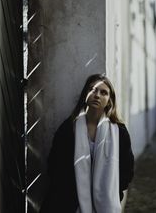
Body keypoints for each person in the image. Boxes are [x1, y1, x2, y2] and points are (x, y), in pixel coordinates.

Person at [40, 73, 134, 213]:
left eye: (103, 93)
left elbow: (127, 168)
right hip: (69, 203)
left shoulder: (119, 132)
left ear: (109, 100)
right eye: (93, 90)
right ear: (85, 94)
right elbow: (54, 164)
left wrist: (112, 191)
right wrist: (70, 192)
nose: (97, 95)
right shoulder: (69, 128)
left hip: (105, 203)